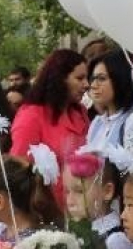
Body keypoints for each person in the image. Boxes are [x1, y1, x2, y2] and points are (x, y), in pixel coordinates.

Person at [10, 49, 90, 204]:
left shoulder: (80, 112)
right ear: (60, 79)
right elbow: (19, 168)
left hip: (83, 207)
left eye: (86, 78)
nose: (86, 84)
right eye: (79, 78)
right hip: (47, 211)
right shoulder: (31, 115)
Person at [85, 50, 133, 151]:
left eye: (101, 79)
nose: (93, 85)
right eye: (93, 79)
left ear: (121, 79)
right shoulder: (97, 123)